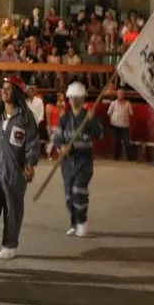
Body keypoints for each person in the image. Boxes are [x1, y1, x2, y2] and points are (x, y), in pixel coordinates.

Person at [0, 75, 39, 260]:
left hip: (15, 170)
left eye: (9, 88)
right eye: (3, 88)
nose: (4, 91)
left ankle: (10, 244)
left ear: (18, 92)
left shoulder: (26, 117)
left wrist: (30, 163)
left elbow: (32, 142)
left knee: (12, 208)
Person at [53, 81, 102, 237]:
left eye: (77, 98)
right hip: (67, 163)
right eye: (72, 97)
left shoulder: (89, 116)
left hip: (84, 161)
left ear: (83, 99)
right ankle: (74, 223)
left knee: (78, 191)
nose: (74, 100)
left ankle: (82, 222)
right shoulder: (64, 118)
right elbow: (57, 137)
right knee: (69, 195)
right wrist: (62, 147)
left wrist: (93, 121)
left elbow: (99, 135)